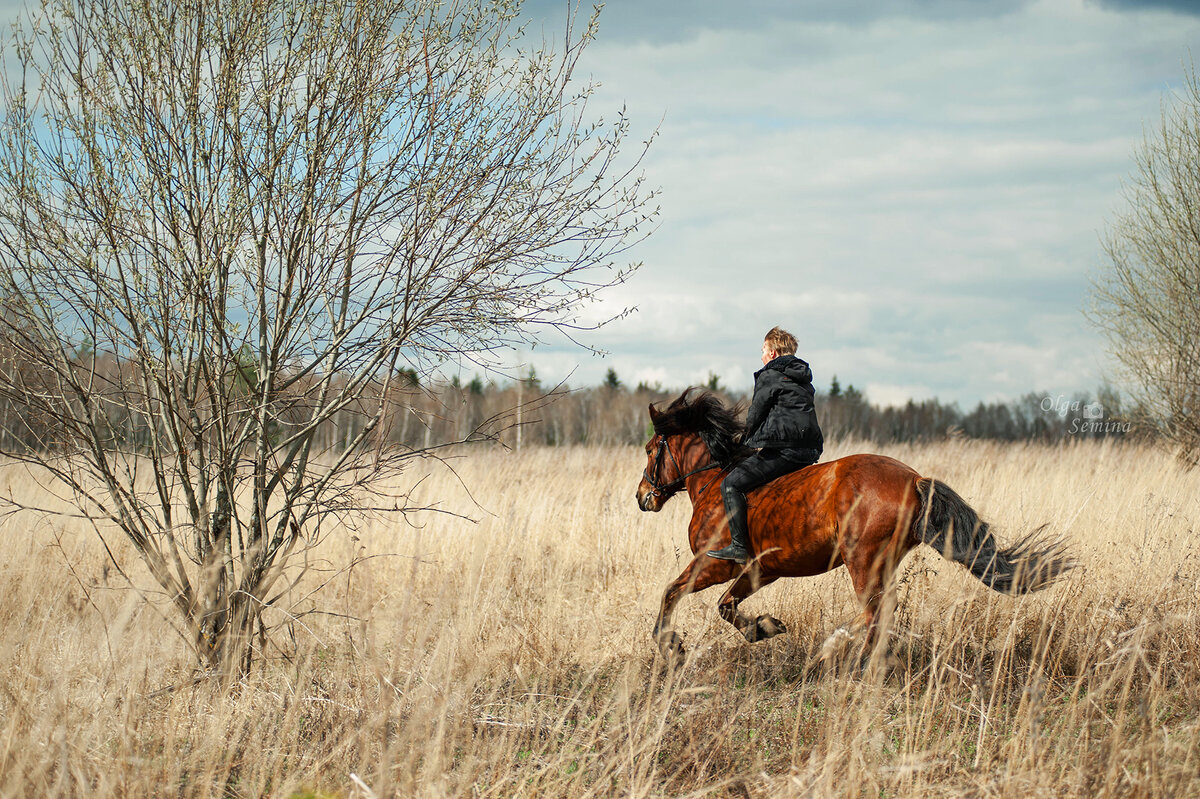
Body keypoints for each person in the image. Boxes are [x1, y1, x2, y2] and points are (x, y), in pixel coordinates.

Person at [707, 326, 824, 564]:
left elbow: (756, 413)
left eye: (762, 350)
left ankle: (739, 546)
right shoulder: (803, 377)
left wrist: (742, 440)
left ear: (772, 353)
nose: (761, 356)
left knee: (731, 484)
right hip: (810, 450)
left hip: (786, 449)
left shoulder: (769, 375)